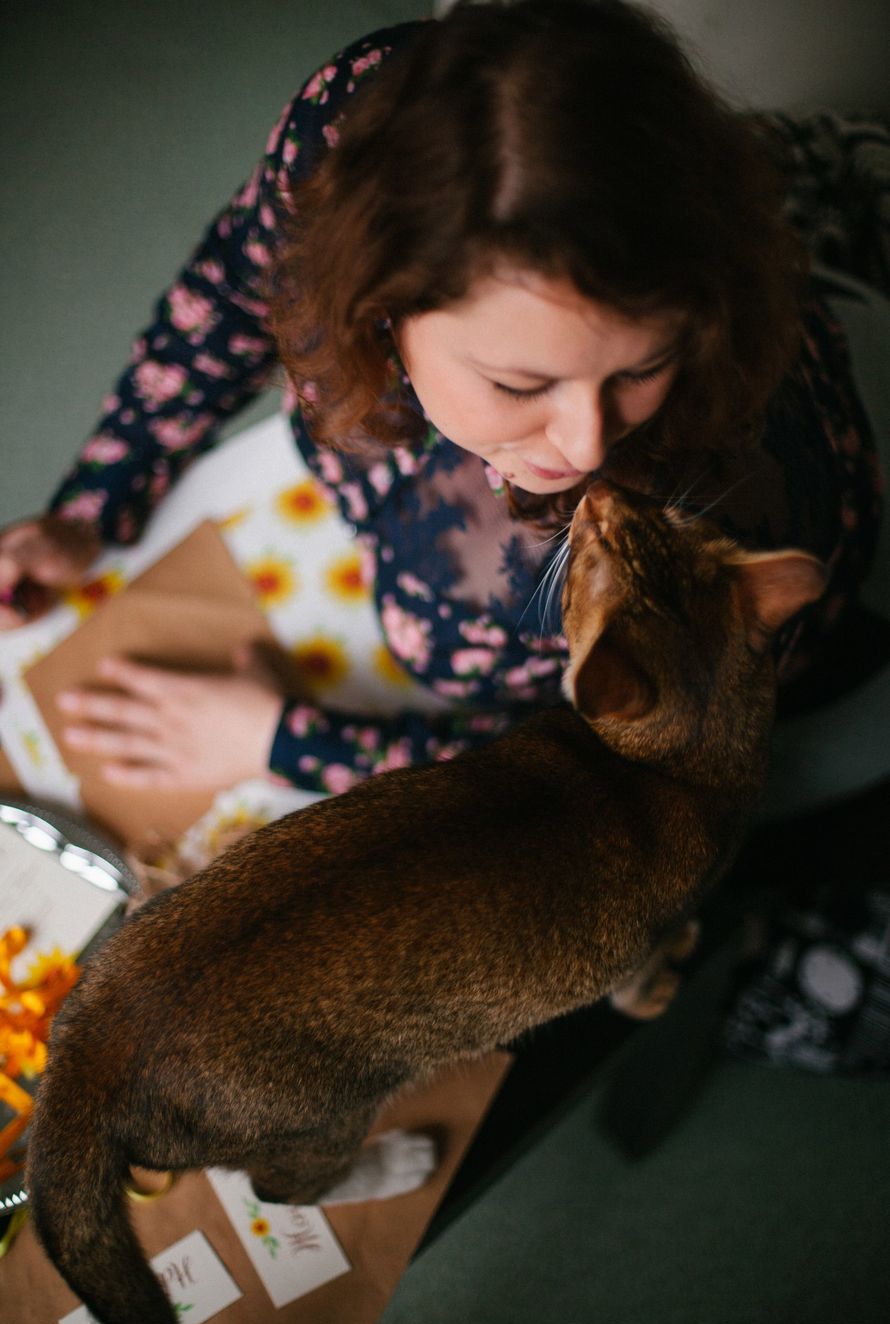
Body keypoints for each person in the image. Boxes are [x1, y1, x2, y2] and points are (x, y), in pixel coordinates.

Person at [0, 0, 884, 799]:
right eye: (519, 383)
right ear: (380, 297)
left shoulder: (732, 508)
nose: (583, 447)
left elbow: (611, 763)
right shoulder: (352, 133)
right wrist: (98, 497)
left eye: (641, 367)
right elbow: (234, 288)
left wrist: (281, 741)